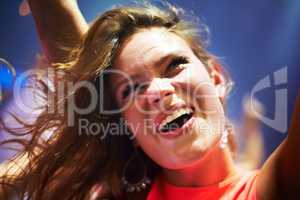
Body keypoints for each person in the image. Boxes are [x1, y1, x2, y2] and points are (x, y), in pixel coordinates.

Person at [0, 0, 299, 199]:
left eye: (174, 65)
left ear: (217, 78)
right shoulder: (114, 193)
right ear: (127, 128)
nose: (157, 92)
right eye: (131, 90)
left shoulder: (276, 186)